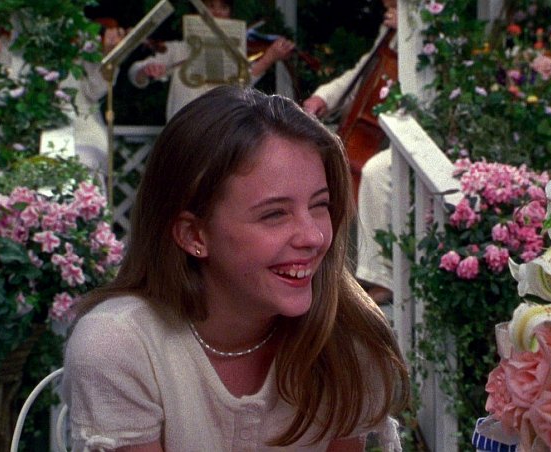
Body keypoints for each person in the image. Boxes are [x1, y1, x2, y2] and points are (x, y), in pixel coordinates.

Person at [61, 86, 410, 451]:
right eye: (275, 214)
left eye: (319, 205)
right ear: (194, 234)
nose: (314, 236)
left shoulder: (346, 340)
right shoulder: (120, 346)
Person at [302, 0, 397, 305]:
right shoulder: (390, 32)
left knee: (374, 173)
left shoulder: (426, 35)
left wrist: (412, 32)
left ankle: (379, 278)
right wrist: (323, 98)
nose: (387, 6)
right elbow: (362, 72)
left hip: (403, 136)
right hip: (372, 132)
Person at [128, 0, 296, 120]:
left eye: (223, 7)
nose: (217, 13)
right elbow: (135, 72)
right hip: (183, 129)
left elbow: (243, 85)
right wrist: (146, 70)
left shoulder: (234, 52)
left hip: (219, 130)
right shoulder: (178, 48)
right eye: (210, 6)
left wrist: (269, 57)